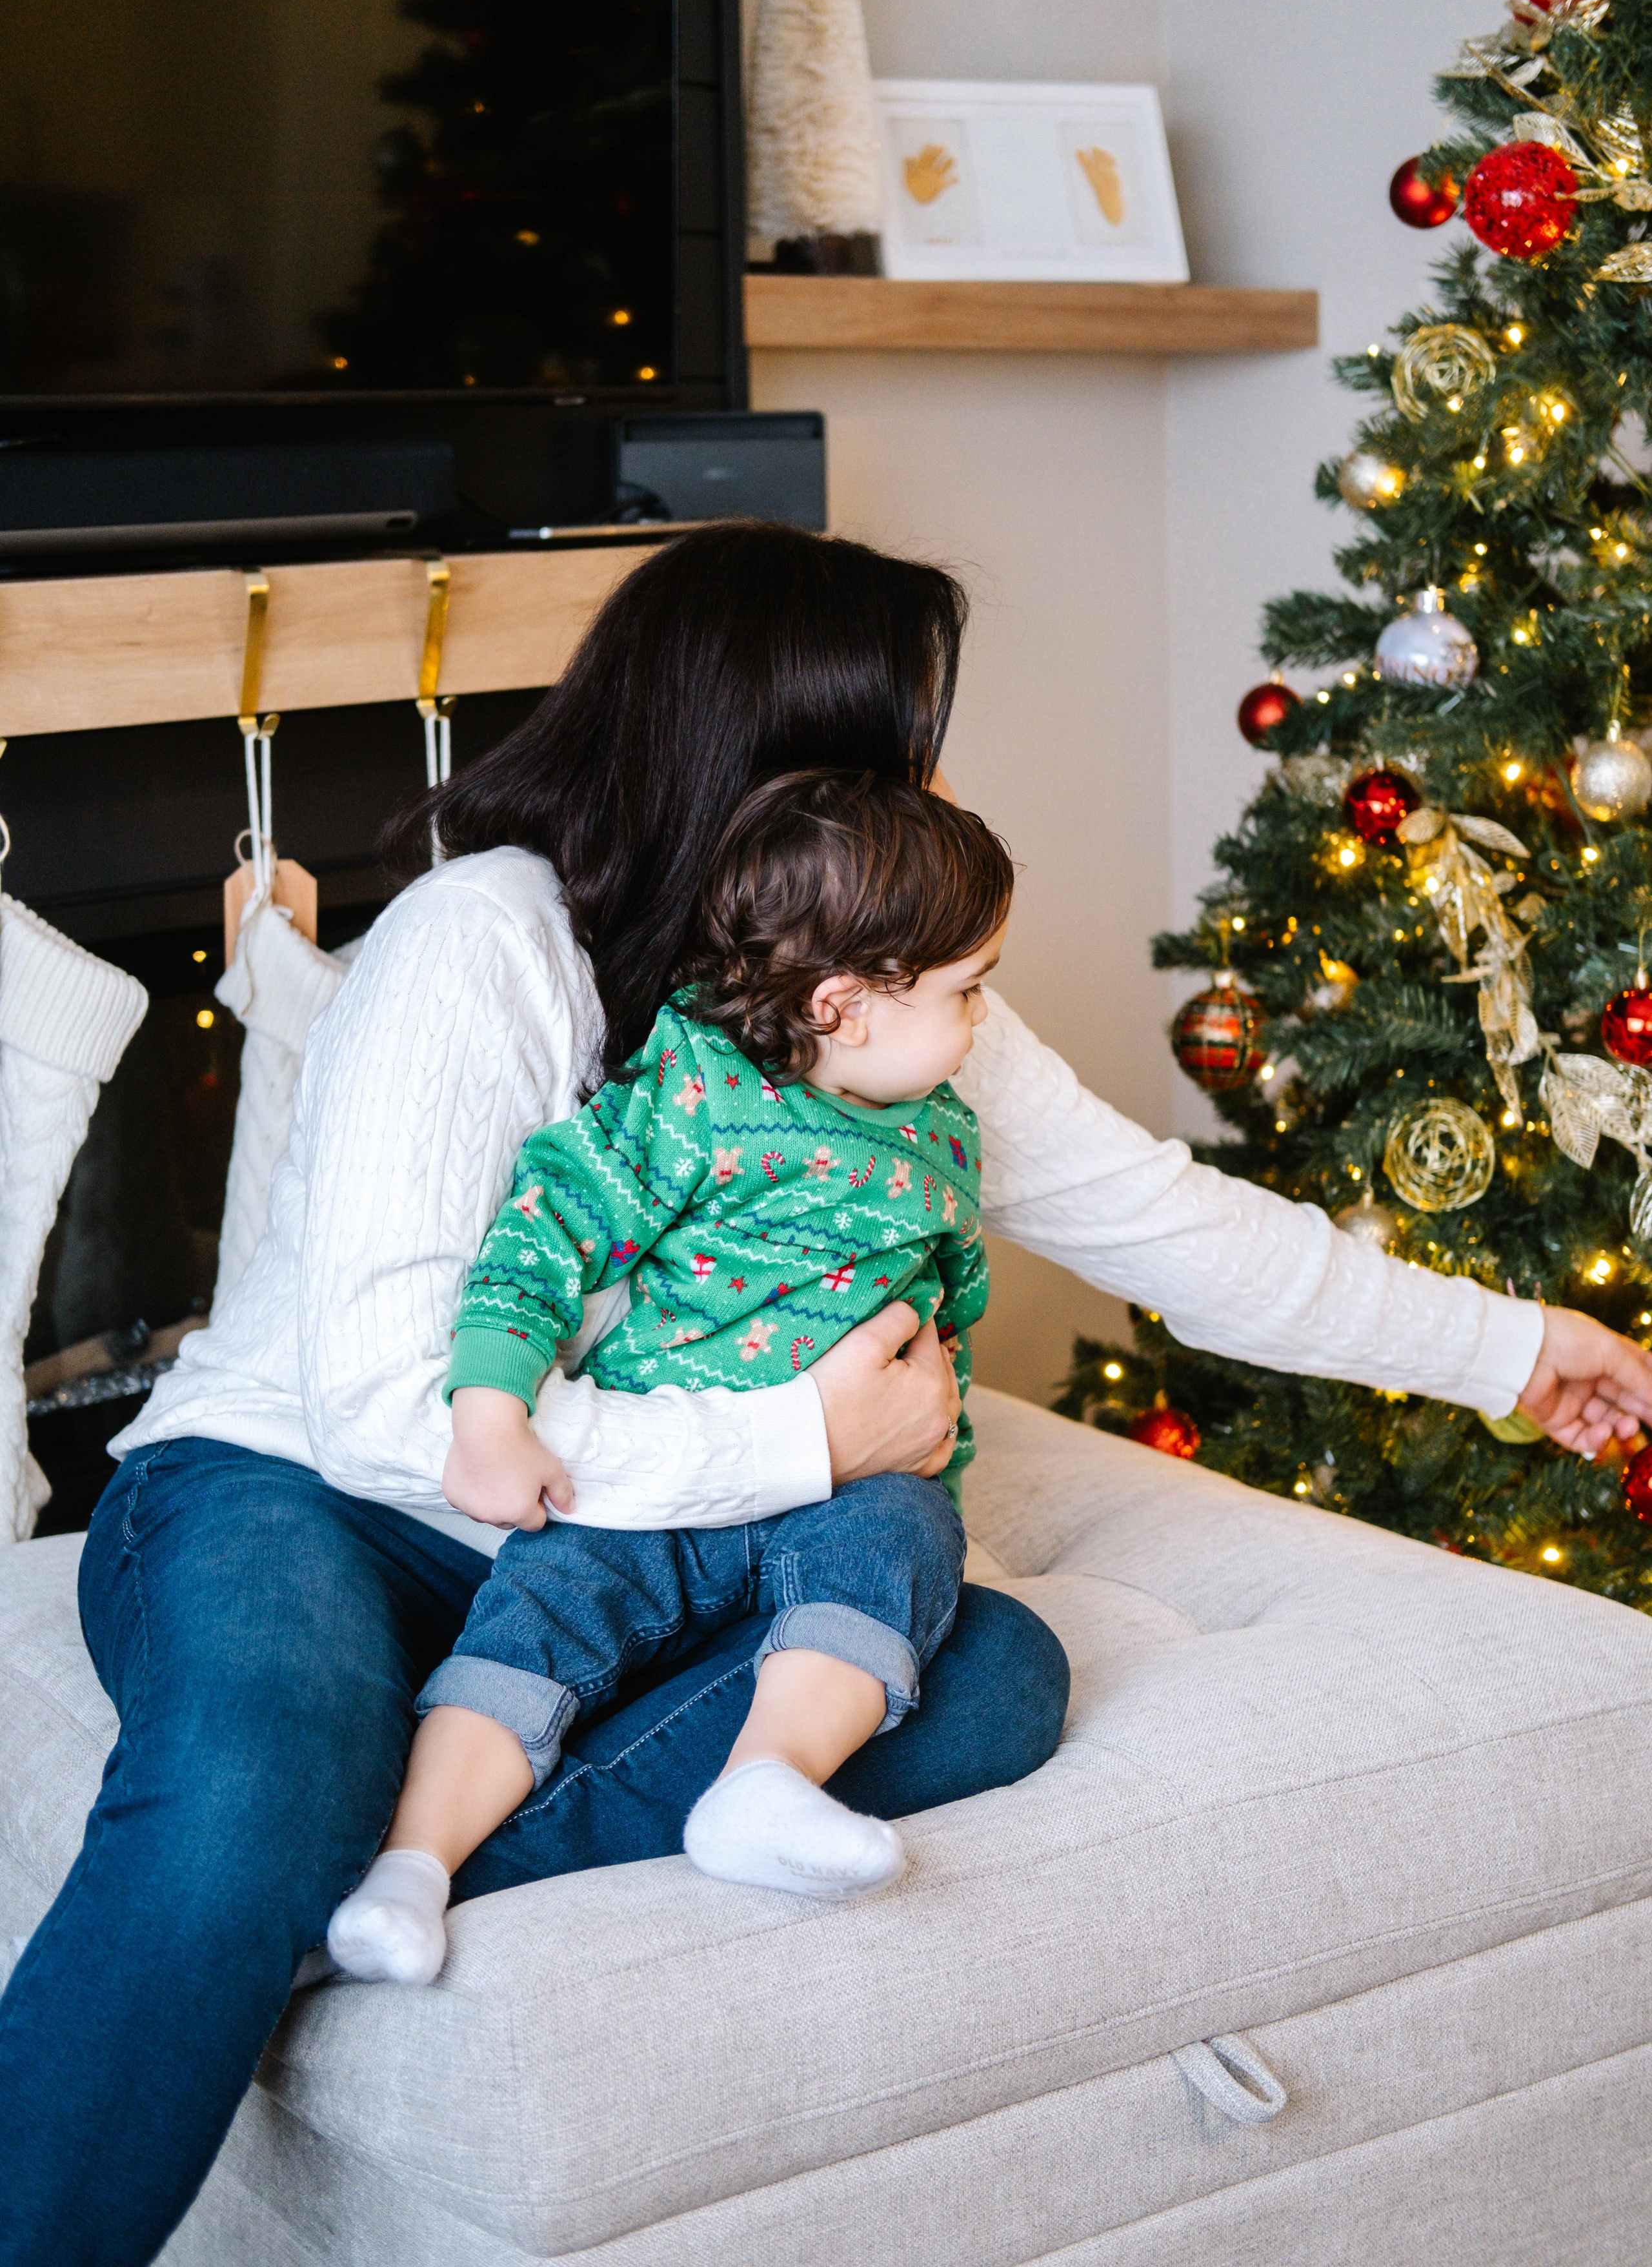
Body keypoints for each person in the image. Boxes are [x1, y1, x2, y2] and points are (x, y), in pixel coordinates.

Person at [2, 523, 1649, 2267]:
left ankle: (387, 1842)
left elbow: (1158, 1218)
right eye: (901, 748)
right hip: (303, 1493)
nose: (926, 792)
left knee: (989, 1677)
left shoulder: (868, 988)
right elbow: (392, 1418)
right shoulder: (475, 944)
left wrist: (1509, 1351)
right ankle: (286, 1875)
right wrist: (807, 1438)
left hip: (631, 1543)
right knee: (248, 1785)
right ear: (774, 763)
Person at [328, 769, 1014, 1982]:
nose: (984, 1017)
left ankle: (763, 1784)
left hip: (846, 1497)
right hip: (655, 1483)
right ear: (846, 1004)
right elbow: (540, 1237)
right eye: (969, 989)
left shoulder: (941, 1130)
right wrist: (490, 1413)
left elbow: (946, 1330)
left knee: (907, 1548)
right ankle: (411, 1868)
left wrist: (937, 1457)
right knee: (536, 1623)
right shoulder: (693, 1095)